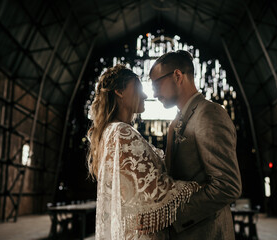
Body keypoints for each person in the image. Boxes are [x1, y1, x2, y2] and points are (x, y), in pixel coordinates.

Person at [87, 64, 201, 240]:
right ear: (119, 91)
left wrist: (171, 134)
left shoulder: (109, 132)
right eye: (139, 88)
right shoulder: (121, 133)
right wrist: (199, 184)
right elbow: (156, 193)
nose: (146, 95)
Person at [149, 50, 242, 240]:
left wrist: (171, 216)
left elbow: (227, 186)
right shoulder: (177, 120)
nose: (154, 93)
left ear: (177, 75)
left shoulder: (209, 114)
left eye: (156, 83)